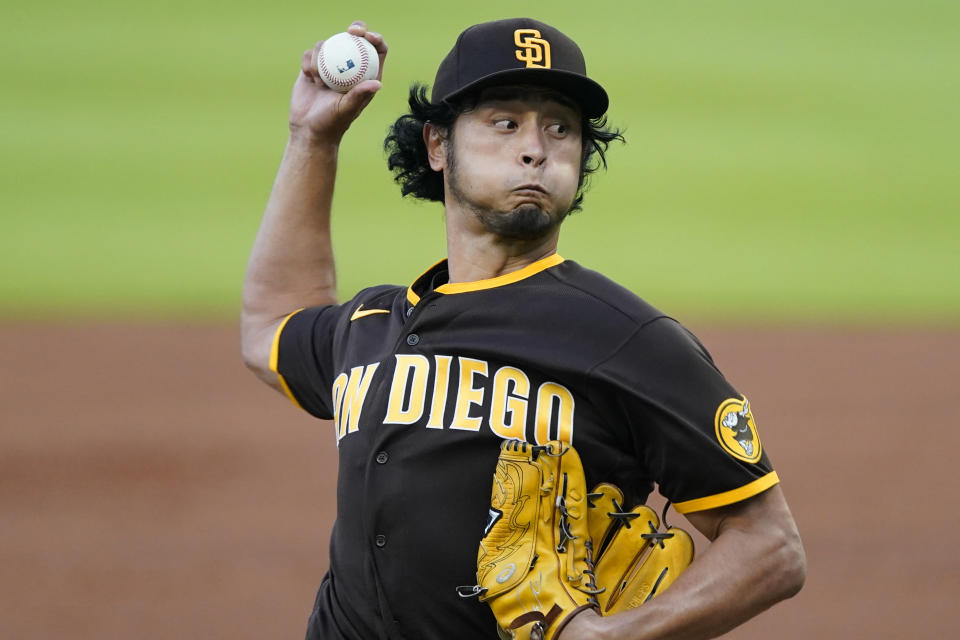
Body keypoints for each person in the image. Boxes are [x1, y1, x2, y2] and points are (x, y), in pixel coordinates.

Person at [241, 17, 806, 640]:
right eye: (505, 122)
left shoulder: (624, 337)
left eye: (560, 128)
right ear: (437, 146)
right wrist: (311, 139)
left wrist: (621, 636)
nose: (536, 147)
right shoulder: (373, 324)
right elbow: (272, 324)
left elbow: (771, 545)